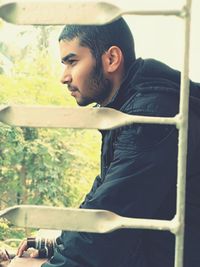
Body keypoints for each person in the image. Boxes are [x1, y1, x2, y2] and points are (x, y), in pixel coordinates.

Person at [1, 17, 200, 267]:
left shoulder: (149, 116)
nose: (64, 77)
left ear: (111, 59)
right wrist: (58, 244)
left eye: (72, 62)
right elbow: (102, 200)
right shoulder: (129, 105)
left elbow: (109, 225)